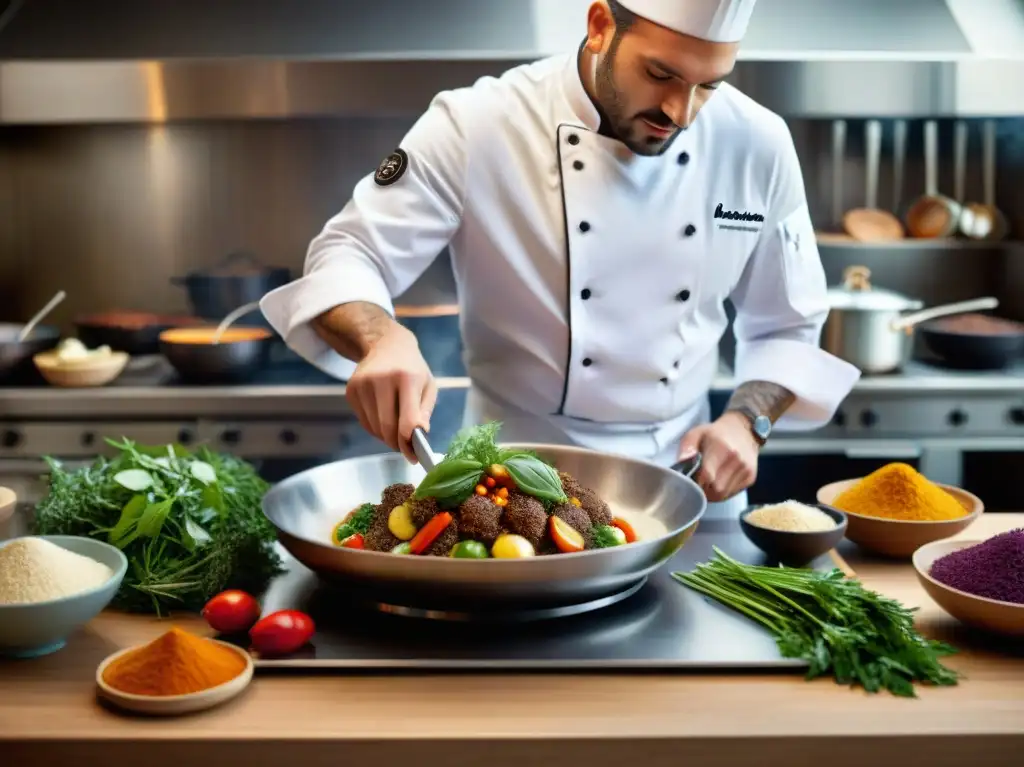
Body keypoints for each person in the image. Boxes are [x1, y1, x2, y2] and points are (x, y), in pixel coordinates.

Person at [260, 0, 860, 518]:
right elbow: (348, 253)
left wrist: (745, 424)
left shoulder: (758, 141)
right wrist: (382, 337)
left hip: (686, 485)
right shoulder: (479, 123)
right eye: (660, 74)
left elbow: (787, 326)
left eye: (709, 85)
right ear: (600, 24)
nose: (681, 112)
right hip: (505, 487)